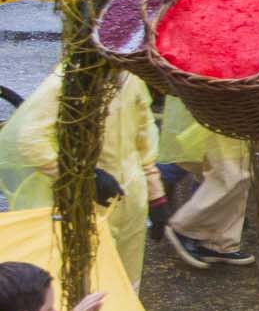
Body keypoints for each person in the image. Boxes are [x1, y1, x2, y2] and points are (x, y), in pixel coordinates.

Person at [0, 66, 156, 286]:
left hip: (131, 199)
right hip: (80, 204)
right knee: (84, 279)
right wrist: (83, 178)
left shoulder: (133, 79)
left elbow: (144, 137)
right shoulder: (68, 82)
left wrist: (156, 194)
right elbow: (32, 141)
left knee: (125, 280)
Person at [157, 98, 253, 271]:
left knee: (231, 168)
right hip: (223, 105)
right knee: (232, 174)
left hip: (227, 107)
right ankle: (185, 227)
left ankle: (219, 242)